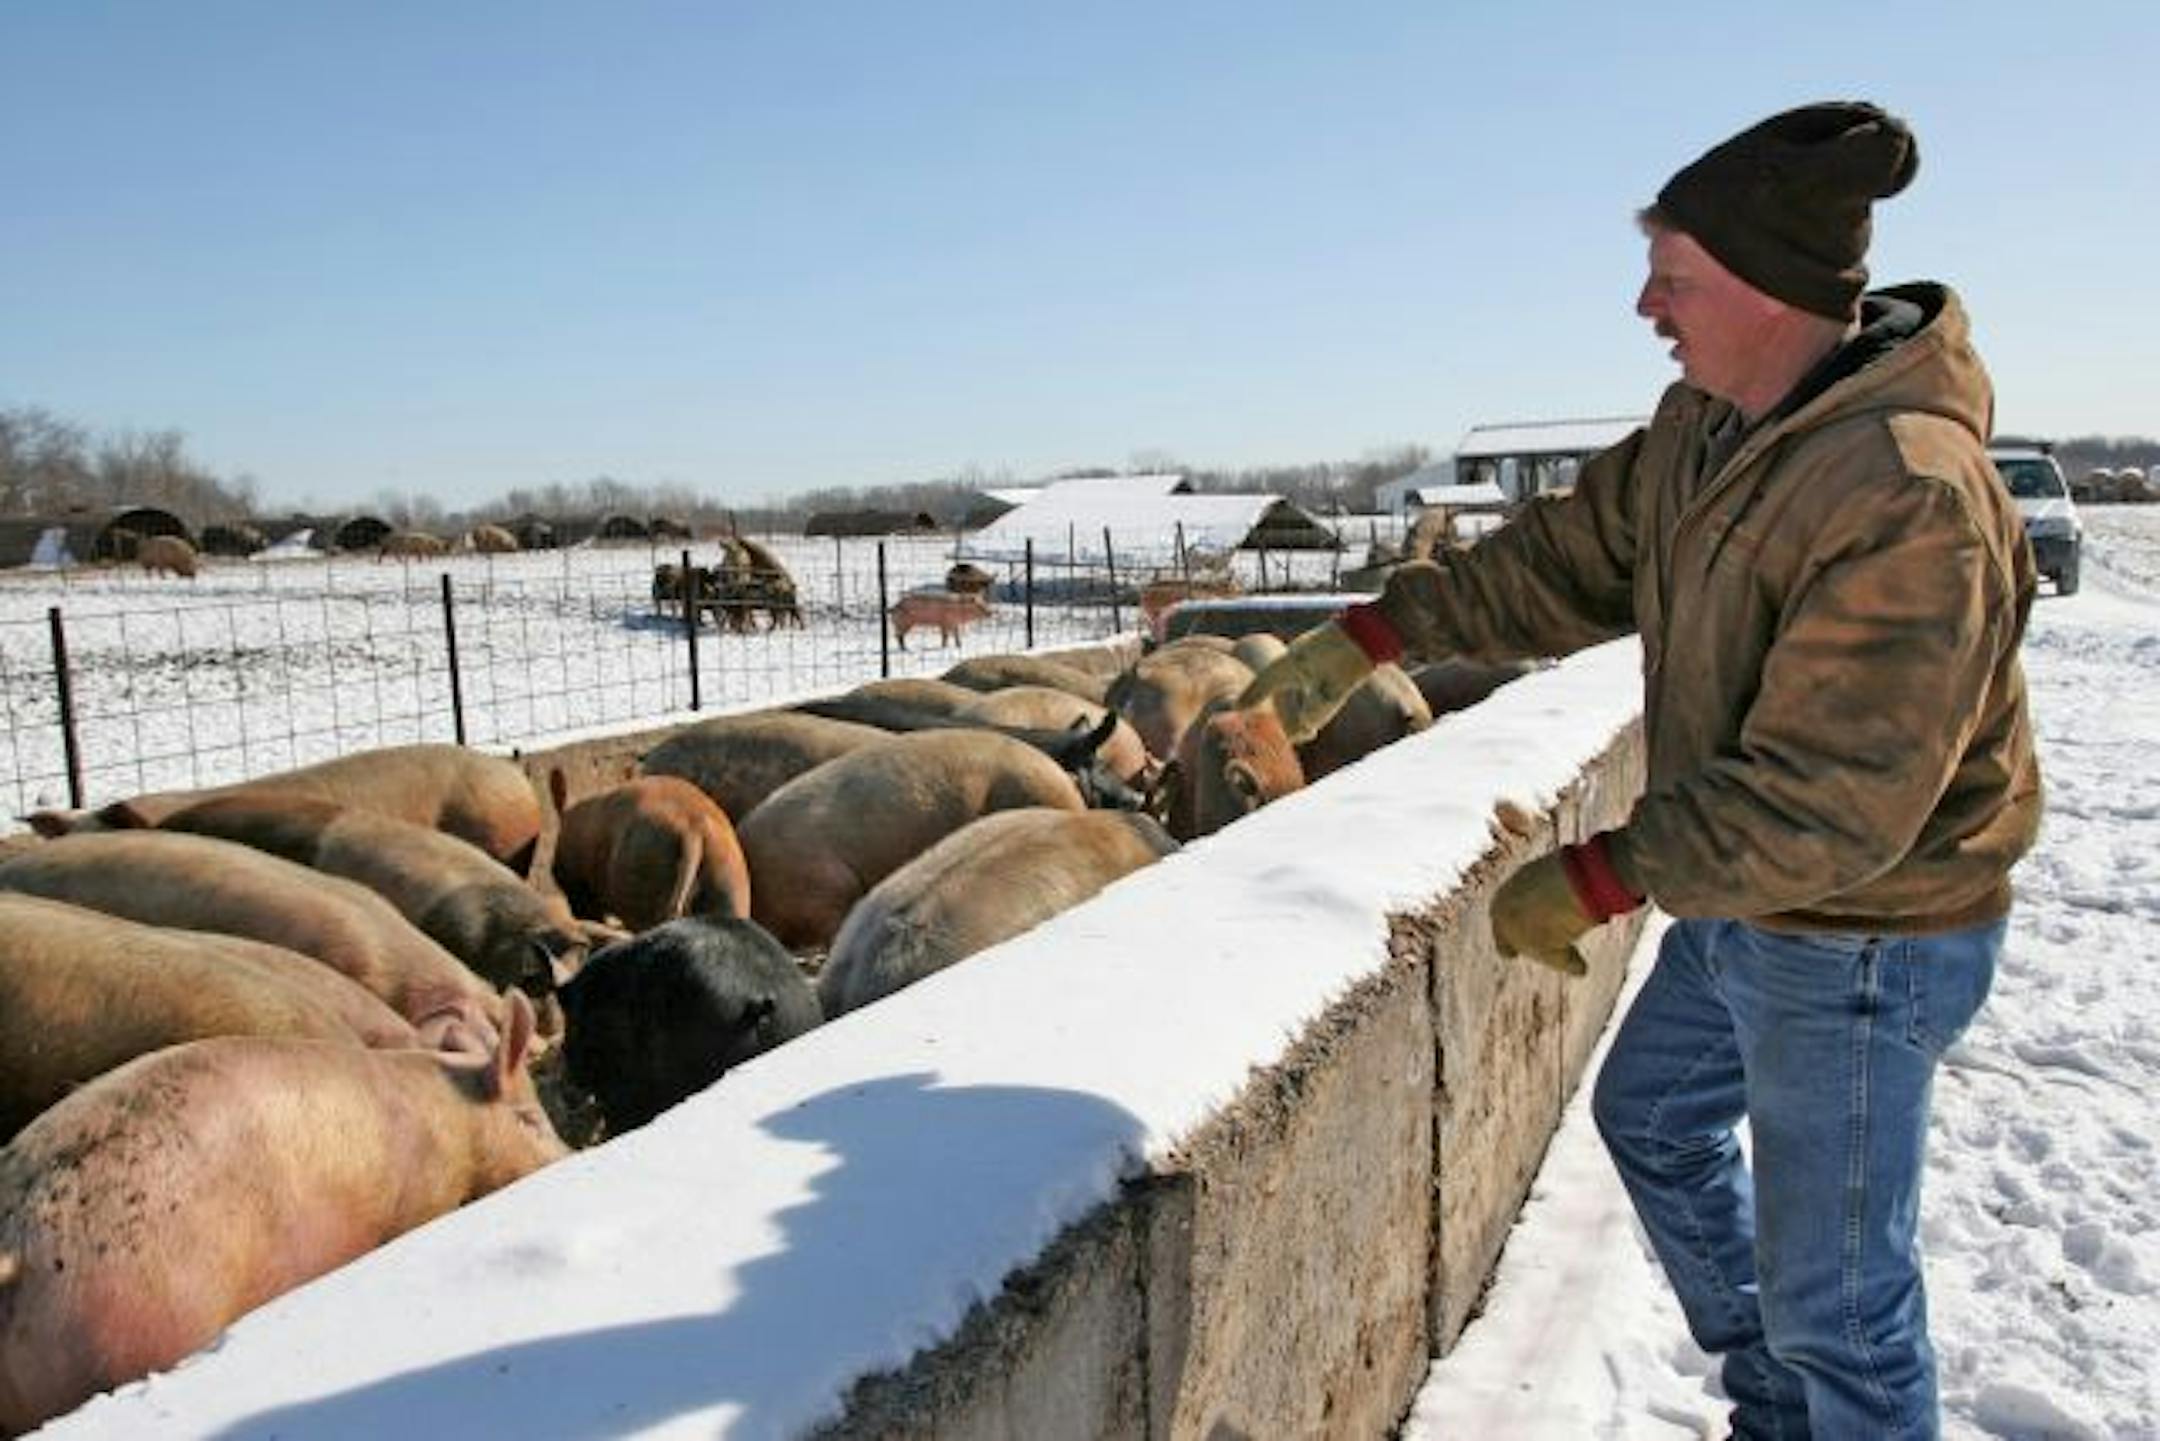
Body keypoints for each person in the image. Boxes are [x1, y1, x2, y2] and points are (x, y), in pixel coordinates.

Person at [1239, 101, 2040, 1439]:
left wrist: (1605, 872)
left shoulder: (1905, 489)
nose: (1646, 305)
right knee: (1656, 1118)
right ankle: (1781, 1406)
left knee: (1841, 1298)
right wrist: (1380, 632)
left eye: (1671, 277)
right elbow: (1563, 561)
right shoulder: (1704, 430)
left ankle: (1822, 1400)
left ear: (1764, 288)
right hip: (1751, 902)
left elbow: (1834, 799)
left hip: (1863, 931)